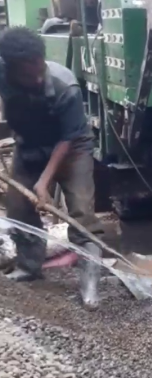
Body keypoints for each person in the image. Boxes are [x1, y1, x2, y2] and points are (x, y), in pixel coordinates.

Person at [0, 26, 103, 308]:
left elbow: (68, 139)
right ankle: (28, 267)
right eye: (26, 74)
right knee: (19, 207)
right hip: (29, 144)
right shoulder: (3, 72)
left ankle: (90, 282)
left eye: (38, 69)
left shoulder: (64, 85)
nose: (35, 77)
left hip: (71, 148)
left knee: (81, 211)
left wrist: (44, 182)